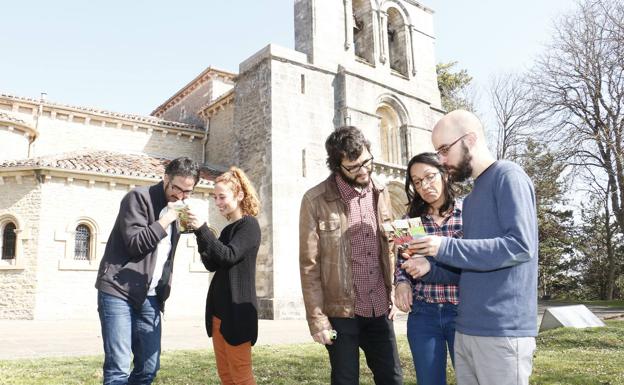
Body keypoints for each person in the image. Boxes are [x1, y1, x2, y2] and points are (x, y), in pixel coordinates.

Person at [404, 110, 538, 385]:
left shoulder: (508, 176)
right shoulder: (475, 195)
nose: (441, 159)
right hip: (467, 330)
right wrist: (430, 269)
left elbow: (520, 246)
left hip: (502, 331)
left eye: (443, 149)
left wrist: (444, 246)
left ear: (470, 139)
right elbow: (469, 266)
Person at [299, 126, 403, 385]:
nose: (364, 170)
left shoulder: (381, 192)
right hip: (340, 314)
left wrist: (393, 289)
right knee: (345, 380)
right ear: (337, 167)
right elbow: (309, 265)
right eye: (354, 167)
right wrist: (317, 320)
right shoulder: (315, 200)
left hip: (379, 308)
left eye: (367, 162)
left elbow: (390, 247)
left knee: (393, 379)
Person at [95, 156, 200, 385]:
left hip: (150, 297)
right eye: (177, 188)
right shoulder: (138, 198)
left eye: (187, 192)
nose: (180, 196)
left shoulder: (177, 208)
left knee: (149, 368)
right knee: (118, 370)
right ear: (165, 179)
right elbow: (136, 243)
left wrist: (196, 225)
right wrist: (167, 219)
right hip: (117, 290)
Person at [187, 166, 261, 385]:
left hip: (237, 314)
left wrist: (203, 229)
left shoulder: (249, 225)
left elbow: (228, 256)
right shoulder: (229, 229)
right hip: (219, 314)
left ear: (239, 195)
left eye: (222, 197)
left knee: (241, 376)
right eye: (215, 197)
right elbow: (212, 262)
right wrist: (199, 234)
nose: (217, 202)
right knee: (226, 376)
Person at [394, 152, 462, 385]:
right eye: (417, 181)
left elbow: (475, 260)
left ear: (444, 174)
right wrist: (401, 282)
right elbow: (402, 262)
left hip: (464, 314)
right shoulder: (409, 220)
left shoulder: (468, 213)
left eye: (429, 177)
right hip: (423, 315)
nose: (424, 185)